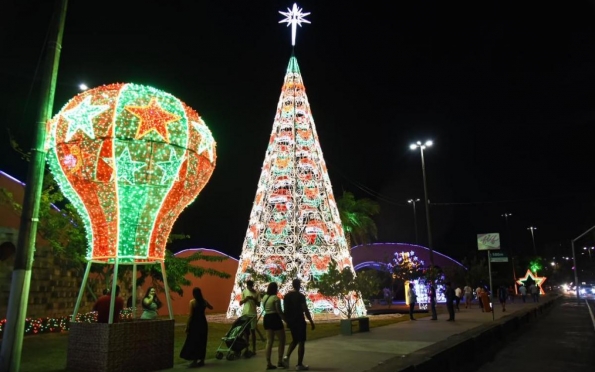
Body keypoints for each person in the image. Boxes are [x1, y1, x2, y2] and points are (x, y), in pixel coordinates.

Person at [283, 279, 315, 371]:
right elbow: (305, 309)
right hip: (299, 321)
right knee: (301, 342)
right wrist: (311, 322)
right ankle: (299, 364)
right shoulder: (300, 296)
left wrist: (287, 321)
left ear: (293, 285)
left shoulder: (287, 296)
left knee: (295, 340)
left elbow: (285, 309)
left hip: (291, 321)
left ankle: (286, 356)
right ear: (299, 285)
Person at [180, 287, 213, 368]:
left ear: (193, 294)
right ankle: (202, 360)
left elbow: (191, 315)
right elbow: (211, 307)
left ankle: (194, 360)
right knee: (202, 341)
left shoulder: (192, 302)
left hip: (195, 323)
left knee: (194, 341)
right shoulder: (204, 301)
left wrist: (187, 326)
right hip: (203, 322)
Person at [262, 282, 287, 370]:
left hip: (267, 318)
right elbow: (279, 311)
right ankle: (280, 361)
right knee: (282, 339)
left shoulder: (264, 297)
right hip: (274, 318)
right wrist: (286, 320)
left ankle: (268, 362)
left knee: (269, 341)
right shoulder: (276, 298)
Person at [239, 280, 261, 357]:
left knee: (253, 331)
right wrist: (246, 299)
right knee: (245, 331)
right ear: (247, 286)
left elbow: (258, 304)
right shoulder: (244, 292)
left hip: (253, 314)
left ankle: (254, 349)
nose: (250, 287)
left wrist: (253, 299)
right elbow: (240, 303)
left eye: (251, 286)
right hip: (245, 313)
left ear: (252, 285)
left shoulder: (256, 293)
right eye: (248, 286)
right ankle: (246, 348)